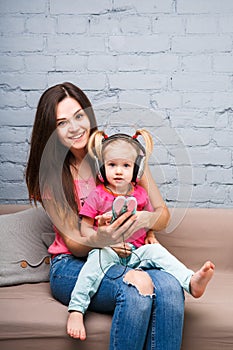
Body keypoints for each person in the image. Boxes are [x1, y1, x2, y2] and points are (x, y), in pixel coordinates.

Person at [26, 81, 185, 350]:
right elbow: (75, 243)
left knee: (171, 288)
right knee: (136, 287)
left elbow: (162, 213)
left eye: (79, 116)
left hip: (124, 254)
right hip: (71, 265)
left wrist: (146, 222)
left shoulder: (120, 155)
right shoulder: (52, 177)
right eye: (62, 123)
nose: (75, 127)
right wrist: (102, 237)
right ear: (51, 131)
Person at [67, 129, 215, 340]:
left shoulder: (140, 194)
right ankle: (76, 309)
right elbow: (85, 229)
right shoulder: (97, 195)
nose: (119, 171)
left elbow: (148, 220)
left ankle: (191, 281)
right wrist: (100, 238)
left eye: (126, 165)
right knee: (93, 263)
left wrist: (151, 234)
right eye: (112, 165)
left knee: (156, 251)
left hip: (135, 253)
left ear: (136, 170)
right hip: (108, 252)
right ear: (101, 168)